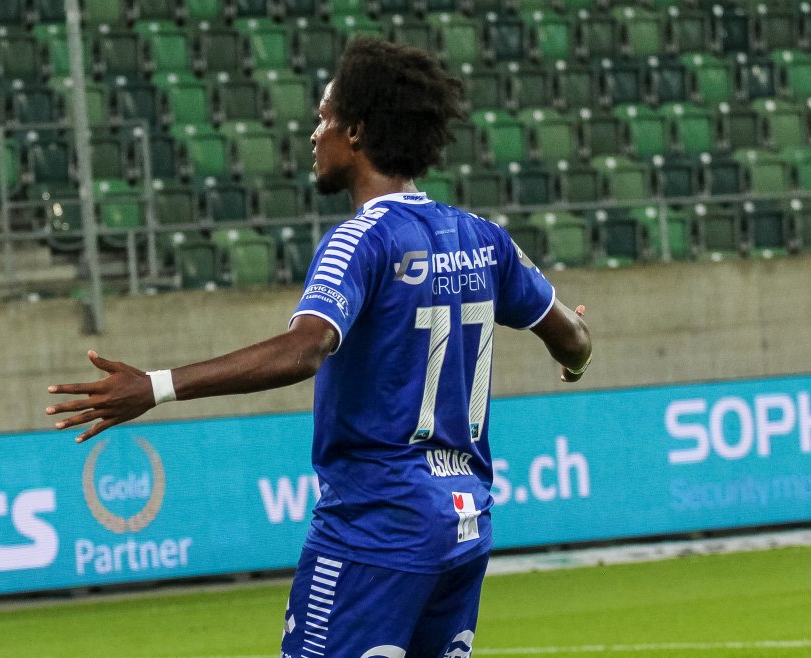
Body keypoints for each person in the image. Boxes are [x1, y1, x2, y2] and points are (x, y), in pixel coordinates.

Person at [47, 37, 591, 658]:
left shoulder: (361, 239)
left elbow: (306, 348)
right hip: (463, 526)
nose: (313, 135)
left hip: (375, 528)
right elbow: (574, 340)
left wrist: (156, 386)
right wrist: (573, 360)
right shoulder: (485, 238)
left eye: (323, 118)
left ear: (355, 132)